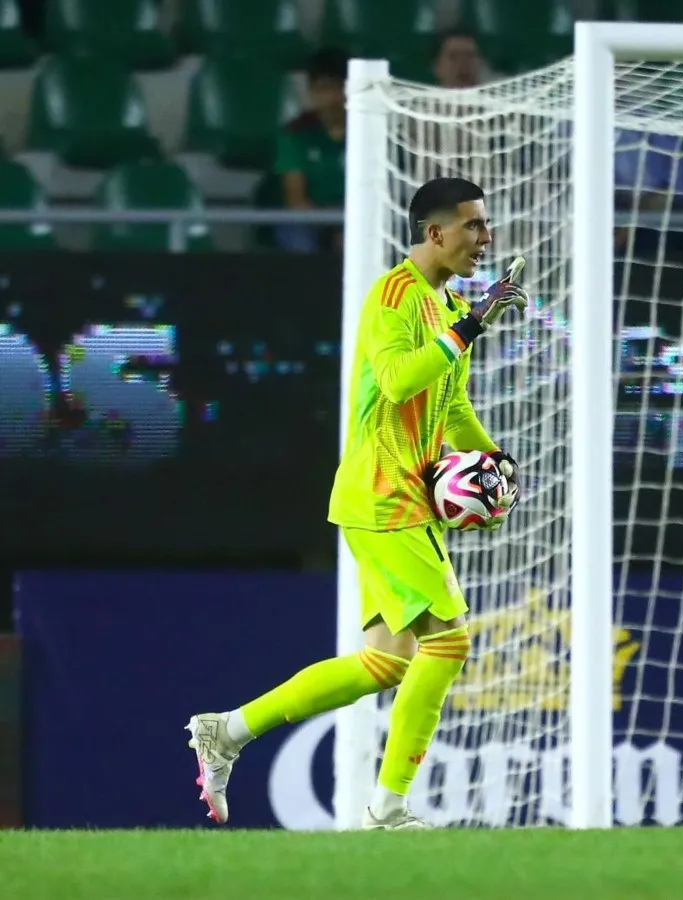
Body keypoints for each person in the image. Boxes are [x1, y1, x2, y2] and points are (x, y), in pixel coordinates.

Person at [186, 177, 528, 830]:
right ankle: (387, 809)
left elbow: (448, 404)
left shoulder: (444, 302)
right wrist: (475, 324)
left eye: (485, 227)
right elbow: (400, 382)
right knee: (450, 644)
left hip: (400, 500)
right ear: (435, 233)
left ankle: (227, 730)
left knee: (386, 661)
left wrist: (494, 459)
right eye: (473, 227)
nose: (485, 239)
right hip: (384, 495)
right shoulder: (393, 296)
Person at [274, 48, 348, 253]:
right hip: (313, 220)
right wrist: (331, 230)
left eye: (336, 89)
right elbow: (296, 201)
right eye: (320, 90)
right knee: (296, 234)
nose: (330, 98)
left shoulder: (373, 132)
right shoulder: (295, 134)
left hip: (360, 220)